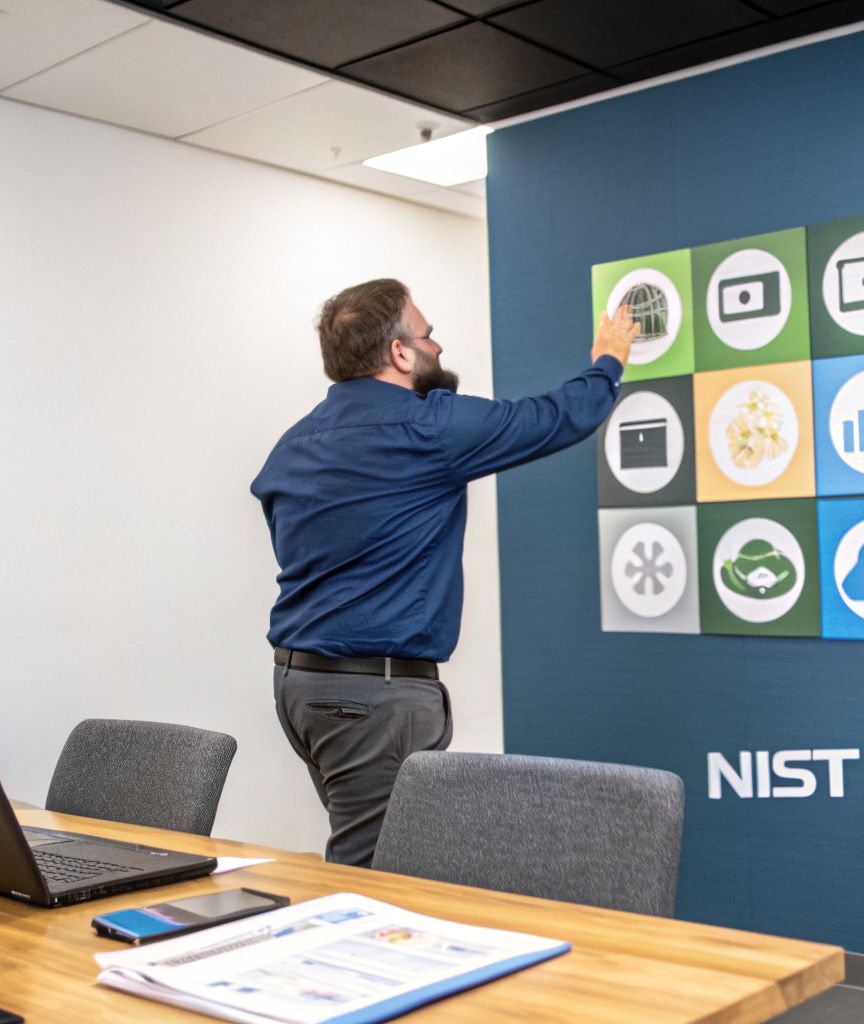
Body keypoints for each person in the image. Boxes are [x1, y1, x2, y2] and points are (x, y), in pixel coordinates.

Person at [251, 278, 638, 866]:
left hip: (300, 688)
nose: (437, 347)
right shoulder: (427, 428)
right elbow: (558, 416)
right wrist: (609, 357)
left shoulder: (294, 443)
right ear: (399, 354)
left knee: (373, 853)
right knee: (383, 875)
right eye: (427, 336)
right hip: (374, 697)